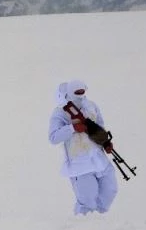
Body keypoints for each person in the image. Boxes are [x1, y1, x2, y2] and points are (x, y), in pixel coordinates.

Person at [48, 80, 118, 215]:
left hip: (99, 160)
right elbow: (53, 137)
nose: (80, 94)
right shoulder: (61, 112)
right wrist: (72, 128)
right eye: (77, 92)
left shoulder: (91, 106)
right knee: (87, 199)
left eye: (82, 91)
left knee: (110, 190)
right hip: (80, 164)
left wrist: (106, 143)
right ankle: (83, 225)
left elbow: (100, 126)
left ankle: (99, 219)